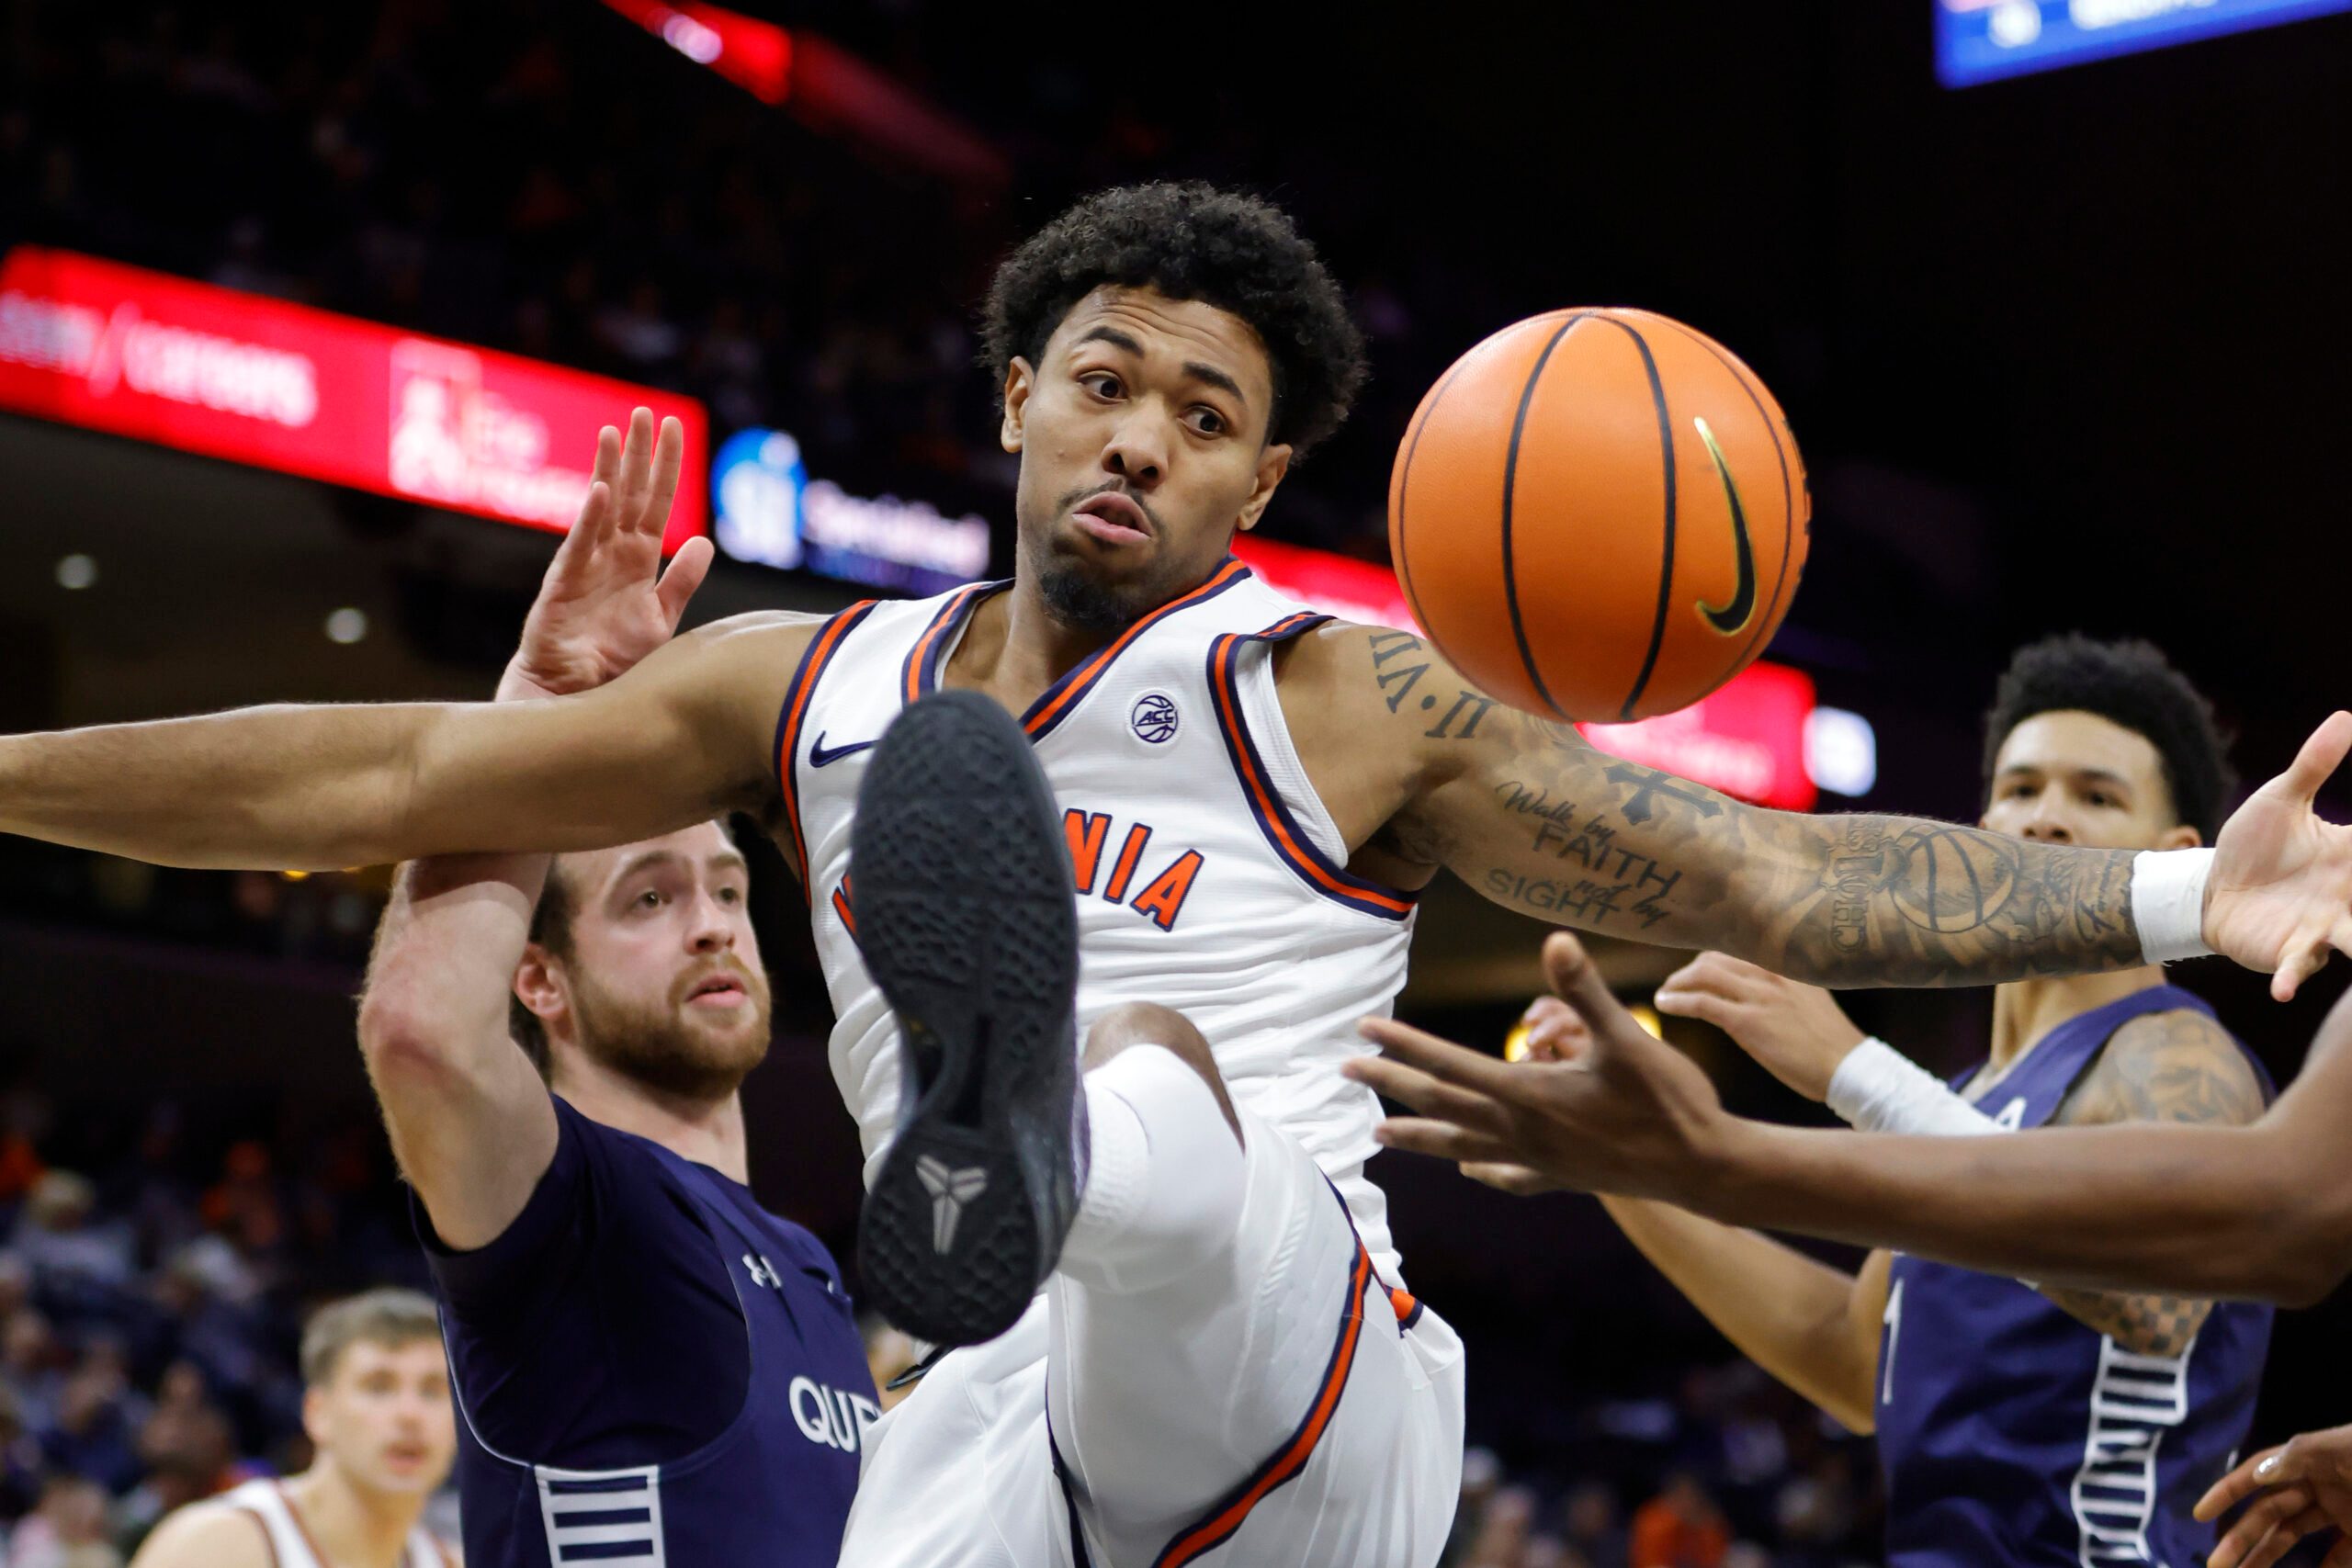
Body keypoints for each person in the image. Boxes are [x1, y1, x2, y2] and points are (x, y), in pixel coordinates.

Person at [6, 182, 2352, 1564]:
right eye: (1105, 377)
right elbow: (390, 756)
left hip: (1296, 1360)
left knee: (1142, 1063)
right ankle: (1007, 1136)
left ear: (1258, 483)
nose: (1140, 432)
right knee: (1014, 1279)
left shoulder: (1338, 693)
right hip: (997, 1397)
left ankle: (1033, 1109)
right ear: (1016, 390)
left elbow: (1763, 875)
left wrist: (2180, 905)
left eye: (1205, 414)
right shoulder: (805, 683)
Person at [1537, 636, 2274, 1567]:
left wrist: (1854, 1071)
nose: (2044, 819)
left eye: (2095, 796)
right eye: (2019, 788)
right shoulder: (1960, 1103)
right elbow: (1850, 1362)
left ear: (2177, 861)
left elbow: (2153, 1297)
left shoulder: (2173, 1052)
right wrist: (1618, 1161)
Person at [354, 414, 873, 1565]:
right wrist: (533, 712)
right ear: (537, 979)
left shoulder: (808, 1261)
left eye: (729, 893)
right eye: (649, 899)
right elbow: (420, 1035)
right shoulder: (572, 1209)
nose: (710, 928)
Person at [127, 1288, 455, 1568]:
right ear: (317, 1412)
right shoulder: (216, 1544)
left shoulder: (453, 1561)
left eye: (433, 1390)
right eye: (379, 1387)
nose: (410, 1414)